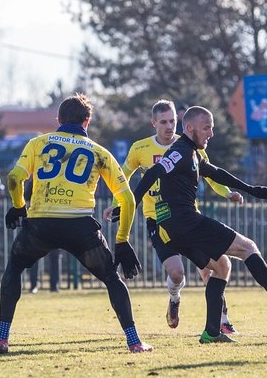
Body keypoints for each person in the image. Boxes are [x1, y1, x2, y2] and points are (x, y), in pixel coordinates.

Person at [0, 93, 151, 354]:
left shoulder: (38, 143)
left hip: (41, 224)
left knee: (15, 268)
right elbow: (127, 200)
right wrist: (122, 240)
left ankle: (2, 337)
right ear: (87, 122)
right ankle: (134, 341)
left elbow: (14, 178)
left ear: (59, 120)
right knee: (111, 278)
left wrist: (18, 206)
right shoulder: (99, 152)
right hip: (80, 226)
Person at [131, 106, 267, 344]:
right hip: (184, 221)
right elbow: (153, 172)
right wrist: (131, 204)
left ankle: (211, 332)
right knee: (248, 247)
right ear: (190, 128)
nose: (211, 133)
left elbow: (215, 173)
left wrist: (251, 189)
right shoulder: (180, 151)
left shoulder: (193, 154)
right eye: (206, 128)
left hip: (173, 227)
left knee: (222, 266)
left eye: (212, 128)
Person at [103, 100, 241, 336]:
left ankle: (223, 320)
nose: (169, 126)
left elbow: (210, 175)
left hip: (188, 217)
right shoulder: (140, 148)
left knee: (211, 268)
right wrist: (117, 204)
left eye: (173, 121)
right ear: (154, 123)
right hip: (157, 220)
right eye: (164, 122)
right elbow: (122, 178)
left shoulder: (188, 144)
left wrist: (228, 193)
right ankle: (174, 298)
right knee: (176, 274)